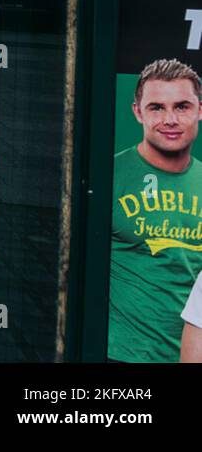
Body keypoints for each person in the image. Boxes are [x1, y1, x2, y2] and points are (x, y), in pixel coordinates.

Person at [109, 58, 202, 362]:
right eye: (156, 108)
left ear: (200, 110)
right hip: (118, 355)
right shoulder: (107, 175)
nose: (170, 119)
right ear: (138, 112)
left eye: (182, 107)